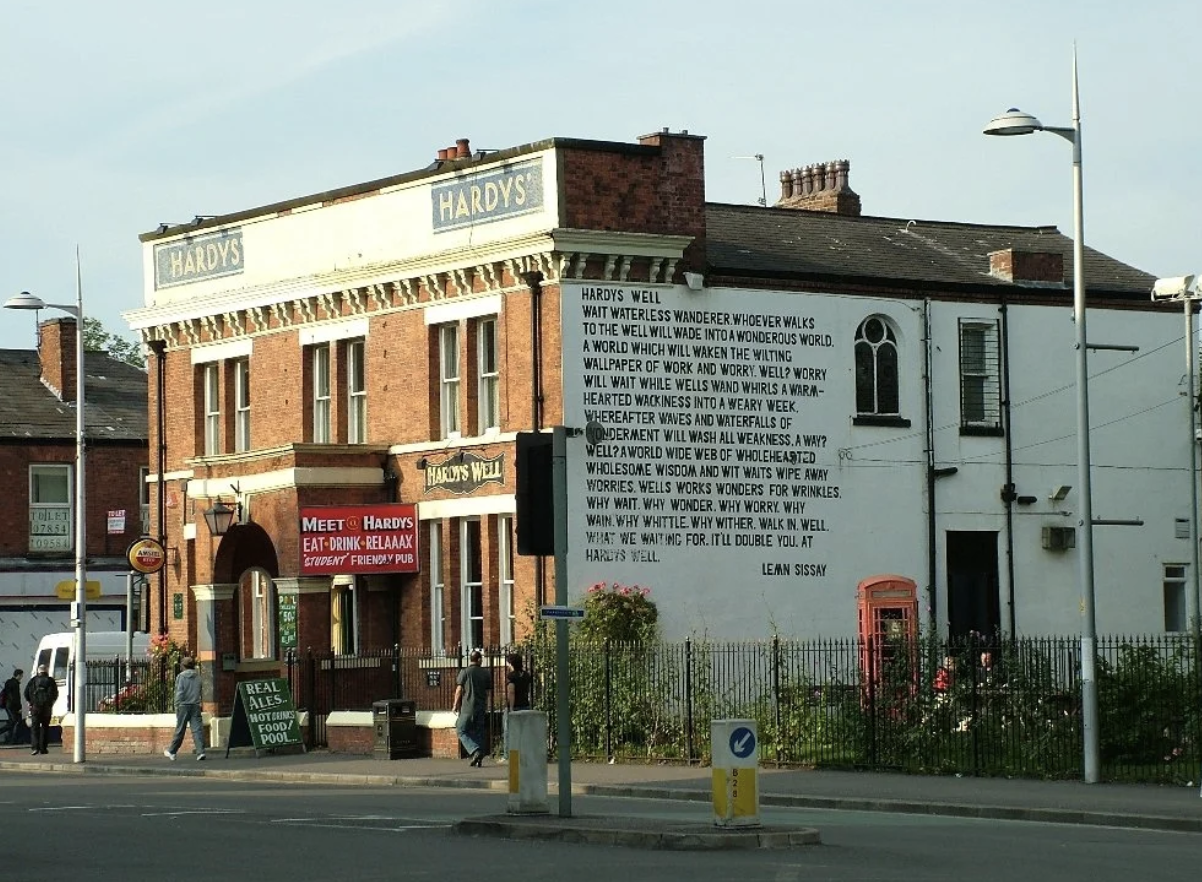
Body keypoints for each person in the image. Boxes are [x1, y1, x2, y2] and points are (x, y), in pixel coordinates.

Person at [451, 649, 492, 767]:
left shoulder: (465, 672)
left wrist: (455, 704)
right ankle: (479, 758)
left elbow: (459, 690)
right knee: (479, 732)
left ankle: (475, 750)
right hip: (481, 706)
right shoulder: (485, 673)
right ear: (478, 660)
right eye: (481, 659)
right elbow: (488, 691)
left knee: (460, 729)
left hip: (468, 707)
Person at [164, 657, 206, 761]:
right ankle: (200, 752)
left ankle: (172, 751)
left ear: (183, 666)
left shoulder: (181, 677)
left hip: (183, 705)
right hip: (195, 705)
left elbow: (179, 692)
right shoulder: (198, 676)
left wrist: (177, 706)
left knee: (180, 729)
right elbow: (200, 691)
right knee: (197, 729)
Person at [501, 652, 533, 761]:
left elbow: (511, 692)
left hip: (515, 707)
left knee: (509, 732)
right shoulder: (526, 675)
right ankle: (524, 754)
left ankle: (508, 756)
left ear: (511, 663)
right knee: (524, 732)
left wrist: (511, 708)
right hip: (525, 705)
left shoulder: (511, 676)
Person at [24, 664, 57, 756]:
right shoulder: (50, 681)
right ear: (46, 670)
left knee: (35, 728)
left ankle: (35, 748)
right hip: (46, 709)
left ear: (38, 671)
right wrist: (51, 703)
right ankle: (43, 748)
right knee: (45, 728)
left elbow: (26, 693)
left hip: (35, 708)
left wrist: (30, 703)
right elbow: (54, 694)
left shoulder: (33, 680)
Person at [0, 669, 24, 744]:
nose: (22, 677)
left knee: (13, 722)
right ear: (18, 675)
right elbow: (15, 697)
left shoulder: (8, 682)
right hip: (13, 706)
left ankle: (12, 738)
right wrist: (19, 708)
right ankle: (13, 739)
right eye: (21, 675)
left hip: (8, 705)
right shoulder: (15, 684)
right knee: (14, 722)